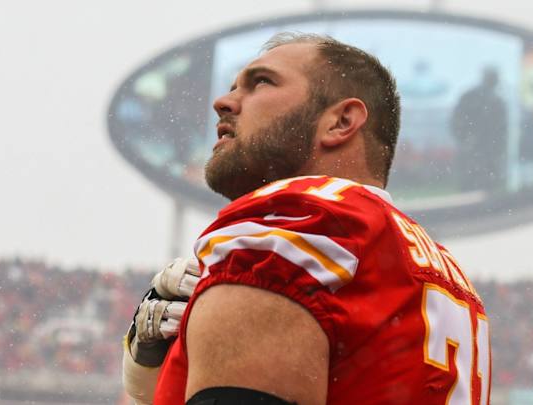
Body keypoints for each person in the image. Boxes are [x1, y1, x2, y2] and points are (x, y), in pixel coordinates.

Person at [122, 33, 491, 405]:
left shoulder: (300, 216)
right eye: (233, 87)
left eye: (261, 82)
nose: (223, 102)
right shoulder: (437, 266)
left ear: (341, 121)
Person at [451, 67, 508, 191]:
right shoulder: (474, 98)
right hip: (476, 148)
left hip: (485, 150)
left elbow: (501, 129)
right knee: (474, 183)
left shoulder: (496, 101)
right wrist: (465, 139)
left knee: (483, 184)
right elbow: (457, 120)